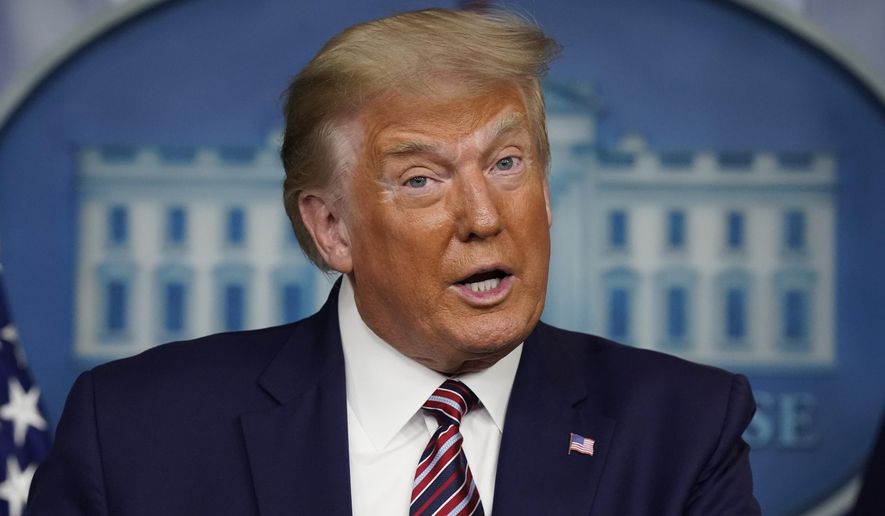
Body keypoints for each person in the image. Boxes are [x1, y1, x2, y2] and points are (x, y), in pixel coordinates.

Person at [28, 8, 760, 515]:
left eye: (507, 163)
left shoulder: (680, 428)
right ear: (331, 230)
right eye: (421, 179)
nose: (483, 217)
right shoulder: (137, 431)